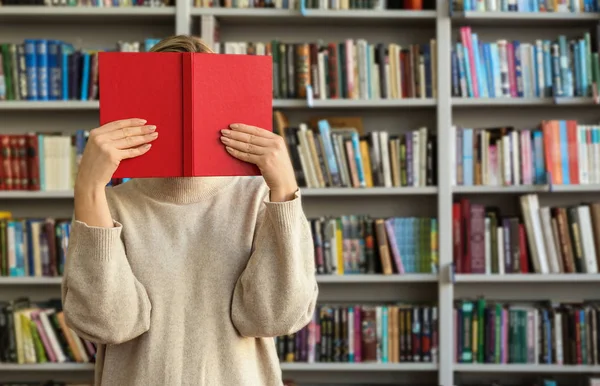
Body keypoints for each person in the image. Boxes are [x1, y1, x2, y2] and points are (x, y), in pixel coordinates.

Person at [61, 35, 318, 386]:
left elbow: (275, 317)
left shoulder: (262, 199)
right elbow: (108, 324)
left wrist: (285, 191)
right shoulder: (108, 206)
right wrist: (88, 189)